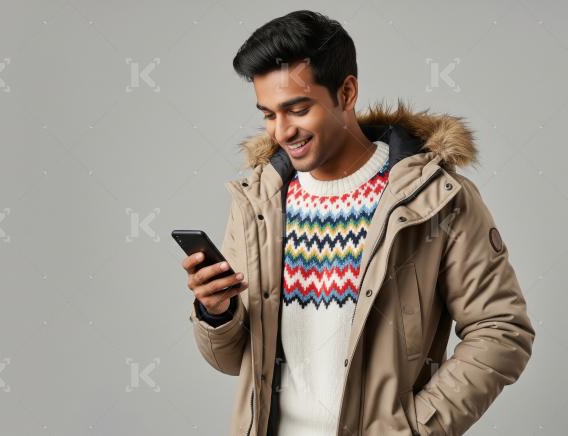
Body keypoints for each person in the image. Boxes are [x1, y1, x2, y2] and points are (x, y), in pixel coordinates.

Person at [182, 10, 535, 436]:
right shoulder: (259, 203)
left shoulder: (435, 199)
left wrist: (416, 428)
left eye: (297, 109)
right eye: (269, 114)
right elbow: (229, 359)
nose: (282, 131)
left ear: (346, 92)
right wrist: (216, 312)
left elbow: (502, 330)